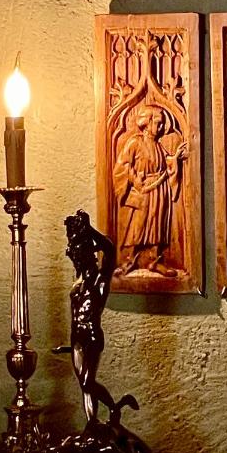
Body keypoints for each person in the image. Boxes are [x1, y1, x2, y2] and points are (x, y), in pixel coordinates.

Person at [65, 210, 136, 425]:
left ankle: (112, 408)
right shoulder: (78, 283)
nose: (76, 260)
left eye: (79, 256)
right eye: (74, 256)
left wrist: (90, 230)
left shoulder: (100, 280)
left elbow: (110, 250)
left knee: (88, 382)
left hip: (92, 336)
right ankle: (92, 424)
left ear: (90, 255)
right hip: (76, 337)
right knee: (84, 386)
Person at [112, 105, 188, 277]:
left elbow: (166, 161)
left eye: (161, 124)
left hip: (159, 189)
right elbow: (123, 165)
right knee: (139, 224)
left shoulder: (158, 145)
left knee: (158, 223)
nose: (160, 127)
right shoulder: (135, 142)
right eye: (158, 123)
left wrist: (176, 157)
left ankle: (155, 259)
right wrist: (134, 180)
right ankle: (129, 259)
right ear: (147, 122)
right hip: (145, 190)